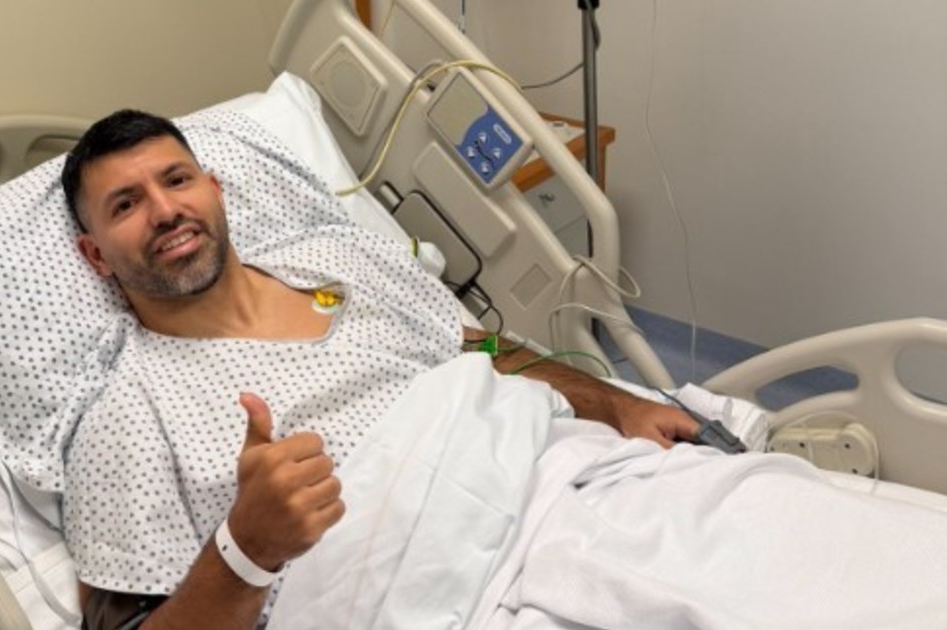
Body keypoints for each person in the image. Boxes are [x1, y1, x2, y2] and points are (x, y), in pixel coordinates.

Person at [59, 109, 701, 630]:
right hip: (443, 598)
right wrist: (246, 549)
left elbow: (477, 348)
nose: (164, 210)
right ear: (96, 256)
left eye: (176, 180)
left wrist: (617, 405)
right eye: (125, 205)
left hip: (573, 487)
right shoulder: (124, 418)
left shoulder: (341, 259)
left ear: (215, 190)